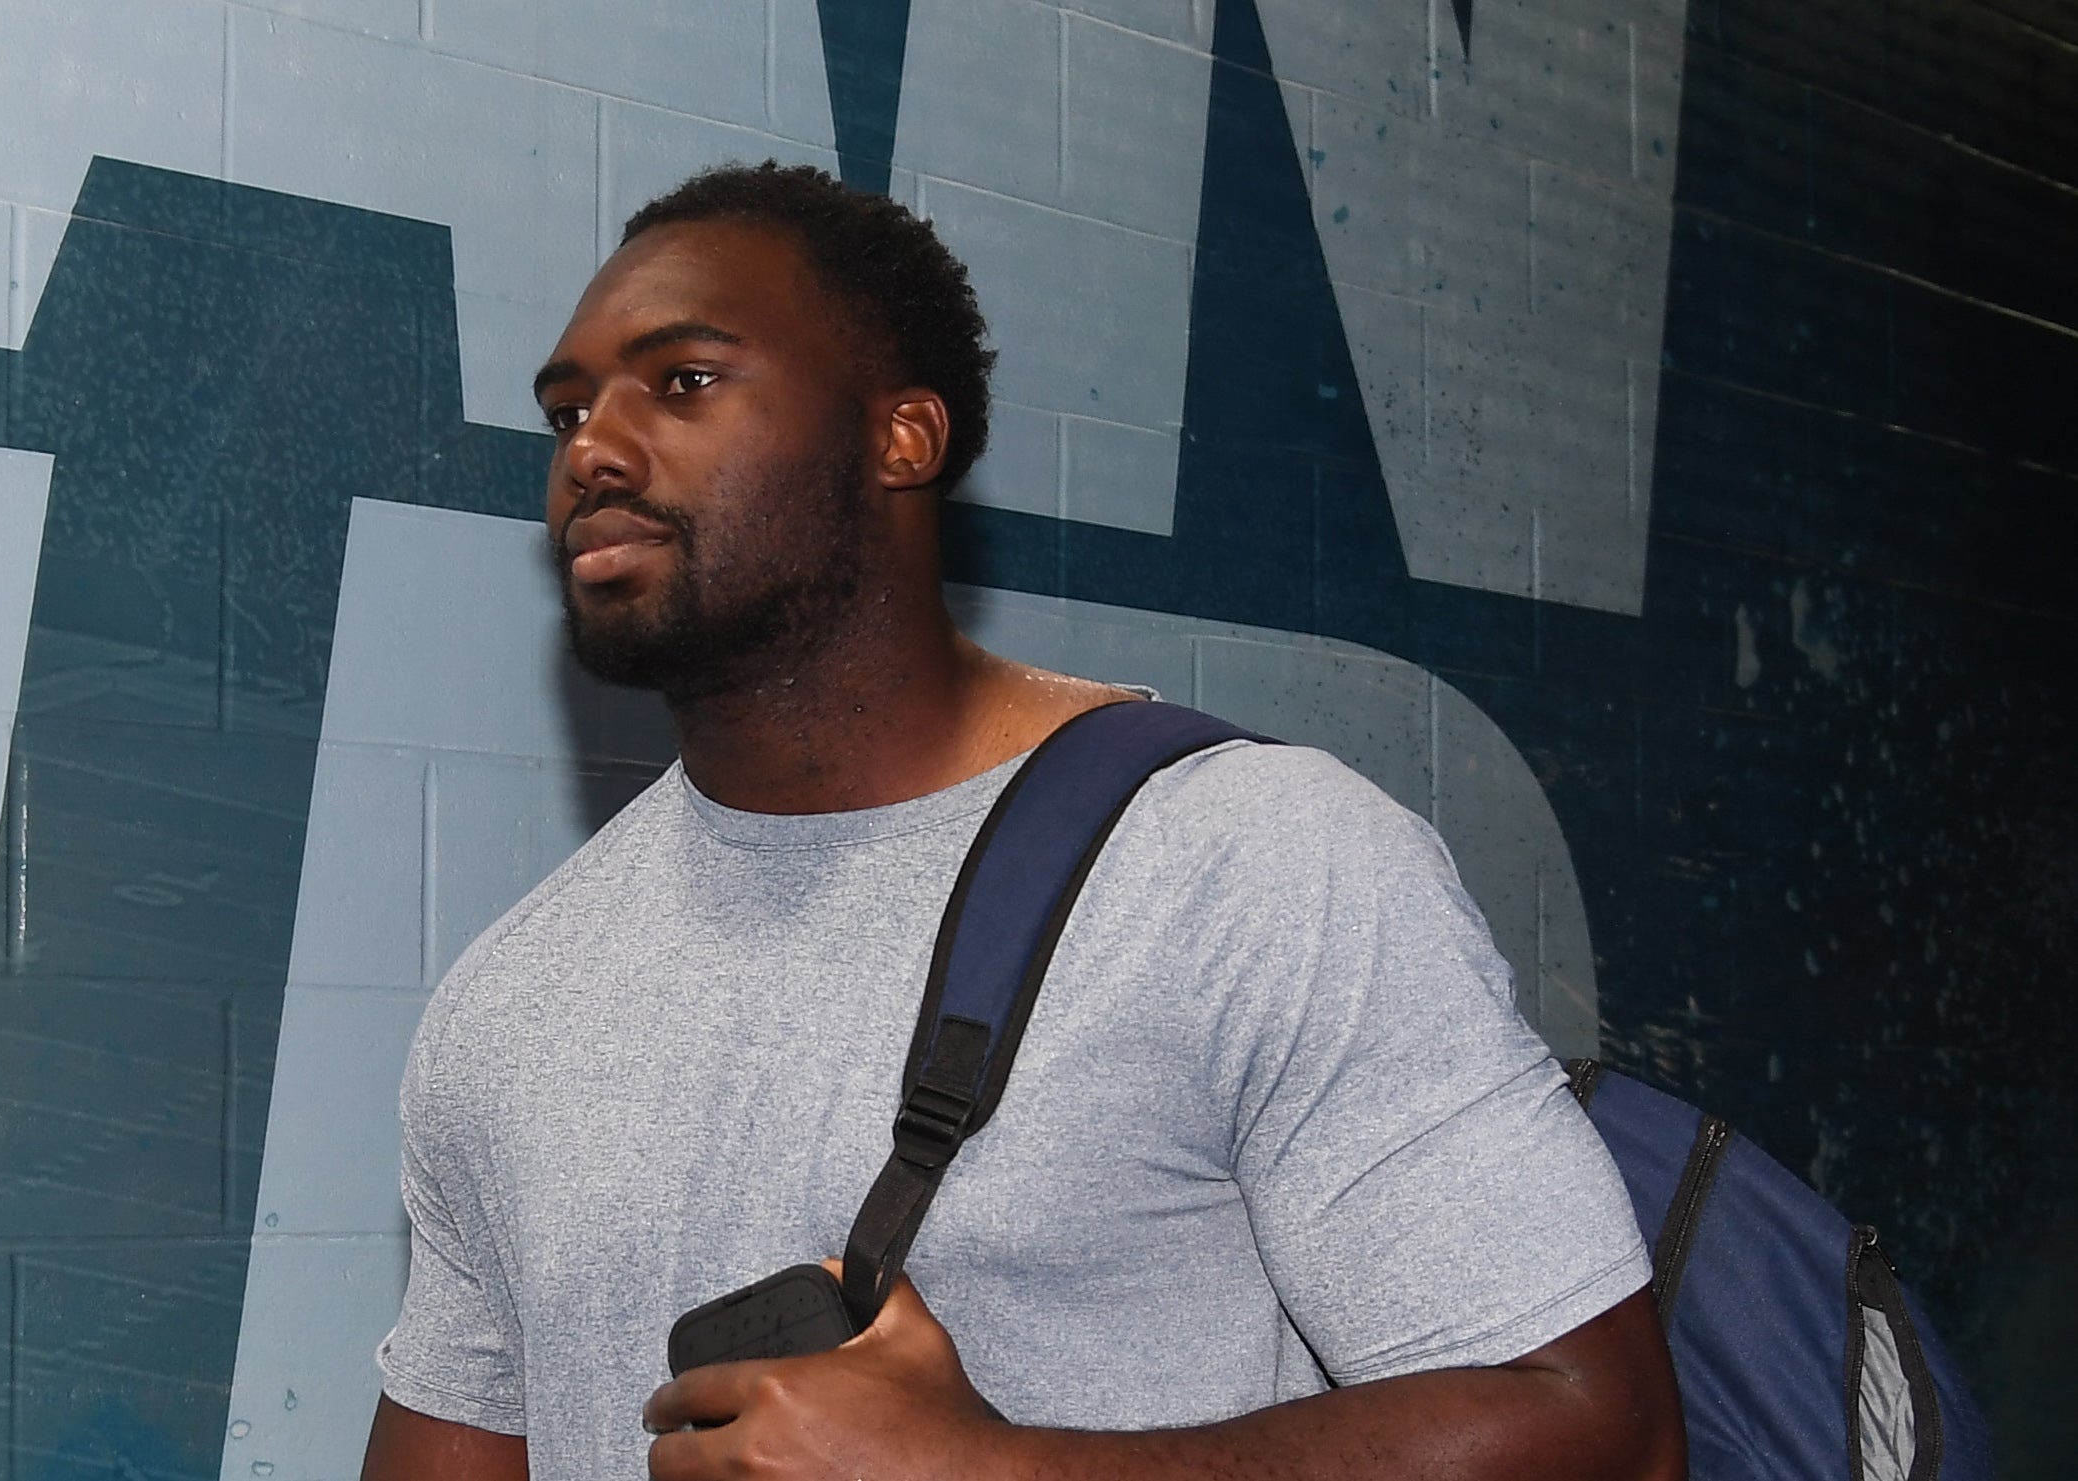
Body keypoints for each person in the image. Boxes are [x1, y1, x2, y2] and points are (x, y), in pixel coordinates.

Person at [360, 162, 1685, 1481]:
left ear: (903, 436)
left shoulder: (1248, 864)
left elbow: (1600, 1433)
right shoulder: (508, 1006)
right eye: (566, 409)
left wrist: (990, 1474)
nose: (591, 445)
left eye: (685, 381)